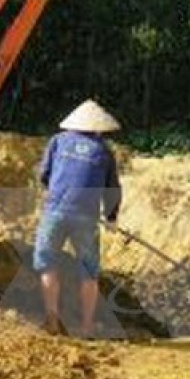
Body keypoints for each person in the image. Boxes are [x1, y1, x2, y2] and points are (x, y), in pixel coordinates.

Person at [33, 99, 122, 337]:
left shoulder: (57, 142)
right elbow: (112, 188)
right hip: (86, 217)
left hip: (55, 211)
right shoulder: (103, 151)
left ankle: (52, 319)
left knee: (47, 264)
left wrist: (55, 193)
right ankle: (87, 327)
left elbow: (44, 175)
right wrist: (111, 216)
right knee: (89, 271)